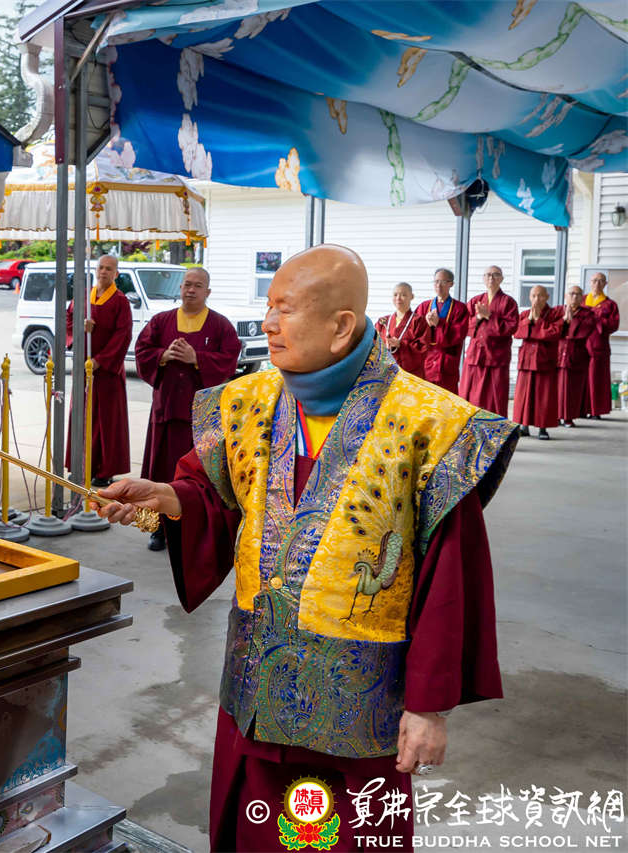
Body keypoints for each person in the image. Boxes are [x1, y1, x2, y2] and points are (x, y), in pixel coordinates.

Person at [96, 245, 513, 852]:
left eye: (284, 309)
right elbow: (217, 495)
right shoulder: (249, 402)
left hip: (358, 708)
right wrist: (169, 496)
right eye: (269, 307)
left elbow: (451, 583)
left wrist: (428, 708)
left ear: (341, 326)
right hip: (257, 688)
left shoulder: (430, 425)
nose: (267, 323)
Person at [134, 266, 240, 551]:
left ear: (208, 291)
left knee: (196, 475)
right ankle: (158, 527)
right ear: (180, 289)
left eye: (197, 285)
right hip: (166, 411)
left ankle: (193, 529)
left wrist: (197, 359)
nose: (191, 290)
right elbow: (142, 350)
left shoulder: (220, 325)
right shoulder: (161, 321)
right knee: (161, 469)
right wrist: (163, 355)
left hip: (201, 416)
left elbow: (230, 359)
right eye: (187, 284)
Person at [66, 254, 131, 487]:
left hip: (107, 374)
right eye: (101, 267)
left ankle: (104, 471)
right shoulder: (83, 297)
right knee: (81, 416)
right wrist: (81, 328)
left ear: (116, 274)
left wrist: (100, 361)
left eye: (109, 269)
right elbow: (69, 322)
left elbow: (123, 335)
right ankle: (80, 465)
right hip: (84, 371)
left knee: (106, 422)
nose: (104, 272)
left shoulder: (121, 302)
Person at [460, 266, 520, 416]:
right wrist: (478, 317)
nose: (491, 278)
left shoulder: (509, 302)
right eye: (488, 275)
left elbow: (511, 328)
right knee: (470, 396)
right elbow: (464, 326)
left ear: (502, 279)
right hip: (475, 356)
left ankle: (495, 428)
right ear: (483, 278)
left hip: (496, 357)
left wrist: (490, 317)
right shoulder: (475, 301)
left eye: (495, 275)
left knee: (495, 397)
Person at [513, 285, 563, 440]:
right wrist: (530, 320)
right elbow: (517, 333)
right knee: (524, 395)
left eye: (540, 295)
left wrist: (538, 321)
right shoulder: (524, 314)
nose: (536, 299)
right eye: (533, 296)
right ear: (529, 297)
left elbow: (554, 333)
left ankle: (543, 428)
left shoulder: (555, 314)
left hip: (545, 360)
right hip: (526, 360)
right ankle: (524, 426)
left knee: (544, 396)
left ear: (547, 297)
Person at [412, 268, 470, 394]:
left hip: (446, 364)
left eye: (443, 282)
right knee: (425, 398)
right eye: (436, 281)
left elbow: (459, 334)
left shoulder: (460, 308)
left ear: (451, 284)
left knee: (446, 399)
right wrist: (425, 325)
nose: (439, 285)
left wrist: (439, 323)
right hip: (426, 362)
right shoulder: (424, 306)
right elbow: (414, 333)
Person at [557, 285, 596, 427]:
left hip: (576, 354)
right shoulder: (557, 311)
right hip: (557, 353)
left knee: (572, 388)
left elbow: (581, 333)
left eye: (578, 294)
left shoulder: (588, 314)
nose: (574, 297)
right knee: (555, 387)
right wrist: (563, 321)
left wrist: (570, 321)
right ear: (566, 296)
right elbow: (552, 330)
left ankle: (568, 417)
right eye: (572, 294)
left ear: (582, 298)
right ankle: (555, 416)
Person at [584, 272, 620, 419]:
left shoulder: (610, 304)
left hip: (599, 346)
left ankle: (595, 410)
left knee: (597, 378)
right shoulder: (582, 300)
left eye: (600, 281)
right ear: (590, 282)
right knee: (581, 379)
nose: (597, 284)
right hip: (580, 345)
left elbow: (614, 324)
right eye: (594, 281)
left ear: (605, 284)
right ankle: (580, 409)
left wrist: (597, 319)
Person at [376, 281, 425, 377]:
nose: (398, 298)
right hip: (386, 373)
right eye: (395, 295)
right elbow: (374, 344)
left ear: (412, 297)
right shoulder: (383, 321)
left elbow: (423, 348)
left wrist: (401, 345)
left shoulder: (419, 321)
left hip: (410, 374)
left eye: (403, 295)